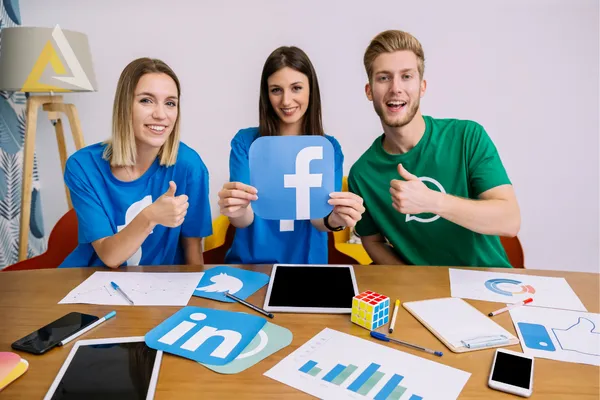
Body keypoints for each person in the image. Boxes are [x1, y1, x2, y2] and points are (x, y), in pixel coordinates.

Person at [348, 30, 520, 267]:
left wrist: (431, 202)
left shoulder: (467, 137)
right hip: (421, 299)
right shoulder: (362, 173)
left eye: (406, 76)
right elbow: (372, 241)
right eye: (384, 78)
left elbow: (509, 220)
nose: (396, 88)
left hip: (489, 286)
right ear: (369, 91)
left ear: (422, 87)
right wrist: (413, 284)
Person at [59, 58, 212, 268]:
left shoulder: (189, 166)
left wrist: (197, 297)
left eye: (170, 103)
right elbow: (110, 256)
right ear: (124, 106)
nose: (160, 115)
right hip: (90, 283)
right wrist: (150, 216)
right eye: (146, 100)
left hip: (157, 289)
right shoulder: (83, 167)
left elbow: (193, 247)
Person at [218, 46, 365, 264]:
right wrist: (235, 208)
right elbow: (244, 219)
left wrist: (336, 219)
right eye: (276, 90)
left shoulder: (328, 148)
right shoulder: (245, 143)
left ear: (310, 90)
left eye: (296, 88)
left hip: (307, 268)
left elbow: (318, 219)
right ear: (266, 94)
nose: (286, 101)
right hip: (251, 266)